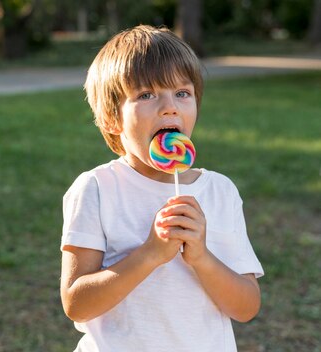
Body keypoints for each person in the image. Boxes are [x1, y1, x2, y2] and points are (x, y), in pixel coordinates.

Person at [60, 25, 264, 351]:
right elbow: (76, 303)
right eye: (146, 95)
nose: (170, 107)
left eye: (182, 93)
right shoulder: (97, 189)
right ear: (113, 118)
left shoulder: (220, 192)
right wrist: (150, 254)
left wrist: (201, 257)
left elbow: (246, 307)